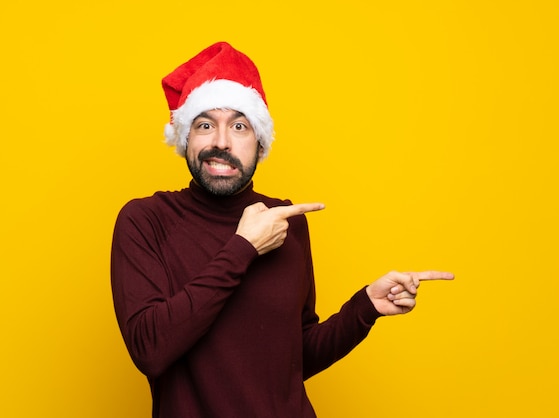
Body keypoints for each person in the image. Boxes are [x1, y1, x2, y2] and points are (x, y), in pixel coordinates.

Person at [111, 41, 454, 418]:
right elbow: (151, 350)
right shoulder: (146, 221)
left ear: (259, 144)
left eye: (239, 126)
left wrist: (364, 308)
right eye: (205, 125)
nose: (221, 142)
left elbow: (294, 361)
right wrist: (243, 247)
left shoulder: (286, 222)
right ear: (184, 139)